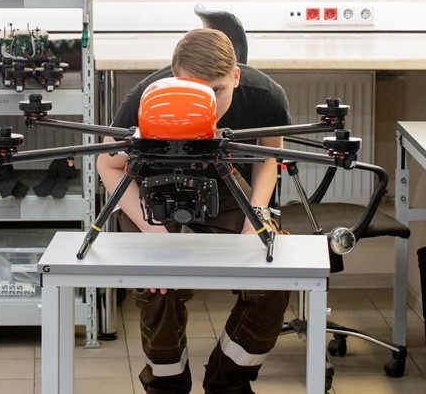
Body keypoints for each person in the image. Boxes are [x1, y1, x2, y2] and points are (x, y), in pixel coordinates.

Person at [97, 28, 292, 394]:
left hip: (223, 177)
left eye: (217, 91)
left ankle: (228, 380)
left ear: (236, 76)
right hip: (155, 182)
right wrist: (152, 234)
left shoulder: (265, 96)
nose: (208, 104)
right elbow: (108, 164)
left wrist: (256, 216)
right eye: (193, 90)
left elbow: (269, 157)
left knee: (273, 274)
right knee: (157, 283)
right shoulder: (147, 97)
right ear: (174, 78)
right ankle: (166, 384)